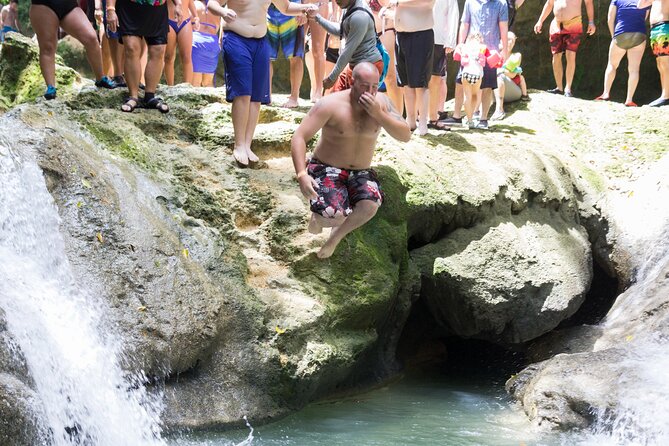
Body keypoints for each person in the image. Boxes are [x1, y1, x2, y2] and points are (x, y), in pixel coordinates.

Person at [291, 62, 411, 259]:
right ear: (353, 82)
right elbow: (299, 137)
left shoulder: (383, 103)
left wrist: (379, 115)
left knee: (370, 205)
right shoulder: (330, 104)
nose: (370, 92)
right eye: (365, 86)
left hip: (361, 171)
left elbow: (405, 135)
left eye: (374, 86)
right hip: (326, 167)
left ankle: (336, 237)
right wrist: (302, 174)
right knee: (334, 214)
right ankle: (319, 218)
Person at [206, 0, 318, 166]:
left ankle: (247, 144)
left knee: (256, 96)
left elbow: (286, 7)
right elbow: (212, 4)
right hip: (236, 38)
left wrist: (305, 8)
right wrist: (223, 13)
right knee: (243, 93)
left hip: (260, 41)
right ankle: (239, 145)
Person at [29, 0, 115, 100]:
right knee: (47, 48)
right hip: (43, 5)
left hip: (69, 5)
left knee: (91, 38)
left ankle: (100, 78)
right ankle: (50, 87)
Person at [106, 0, 178, 112]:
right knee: (131, 48)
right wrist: (110, 8)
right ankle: (133, 96)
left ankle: (150, 96)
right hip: (129, 8)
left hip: (156, 9)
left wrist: (179, 4)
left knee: (158, 50)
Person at [308, 0, 383, 92]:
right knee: (335, 96)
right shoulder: (349, 6)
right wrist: (317, 17)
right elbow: (341, 31)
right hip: (354, 64)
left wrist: (332, 77)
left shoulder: (359, 17)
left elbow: (347, 52)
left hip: (368, 66)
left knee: (358, 103)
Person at [534, 0, 596, 98]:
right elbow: (549, 4)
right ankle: (559, 87)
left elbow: (588, 2)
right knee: (556, 55)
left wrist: (591, 22)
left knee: (570, 55)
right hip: (556, 24)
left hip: (574, 23)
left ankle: (568, 88)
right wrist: (540, 21)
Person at [392, 0, 435, 136]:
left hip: (420, 34)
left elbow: (428, 2)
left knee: (420, 83)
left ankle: (422, 122)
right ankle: (410, 120)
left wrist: (399, 2)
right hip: (400, 35)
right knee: (406, 82)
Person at [594, 0, 649, 106]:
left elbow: (610, 18)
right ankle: (629, 99)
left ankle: (605, 93)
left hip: (621, 33)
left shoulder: (616, 0)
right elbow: (644, 18)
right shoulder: (644, 1)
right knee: (634, 69)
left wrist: (613, 36)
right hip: (639, 34)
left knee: (612, 65)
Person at [267, 0, 307, 108]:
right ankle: (266, 96)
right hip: (267, 8)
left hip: (293, 8)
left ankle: (294, 98)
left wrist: (302, 10)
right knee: (265, 56)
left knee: (295, 55)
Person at [427, 0, 458, 130]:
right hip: (417, 35)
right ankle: (418, 116)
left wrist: (450, 40)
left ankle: (433, 118)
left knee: (435, 79)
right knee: (417, 79)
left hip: (438, 38)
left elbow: (453, 13)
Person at [491, 31, 529, 120]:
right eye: (508, 39)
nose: (510, 42)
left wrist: (501, 70)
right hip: (493, 91)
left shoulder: (516, 56)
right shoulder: (493, 54)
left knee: (499, 75)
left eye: (512, 41)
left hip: (512, 91)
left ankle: (499, 110)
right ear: (500, 40)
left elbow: (512, 75)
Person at [638, 0, 669, 106]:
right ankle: (664, 94)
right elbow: (640, 5)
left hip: (664, 26)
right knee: (660, 63)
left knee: (665, 63)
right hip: (655, 29)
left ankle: (666, 96)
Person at [164, 0, 198, 85]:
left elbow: (190, 1)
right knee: (168, 56)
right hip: (168, 19)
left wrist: (196, 16)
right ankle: (170, 87)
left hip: (185, 20)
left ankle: (187, 88)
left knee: (187, 56)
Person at [191, 0, 221, 87]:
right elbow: (217, 27)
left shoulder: (194, 4)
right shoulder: (216, 7)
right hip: (212, 42)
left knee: (195, 83)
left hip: (197, 42)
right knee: (208, 84)